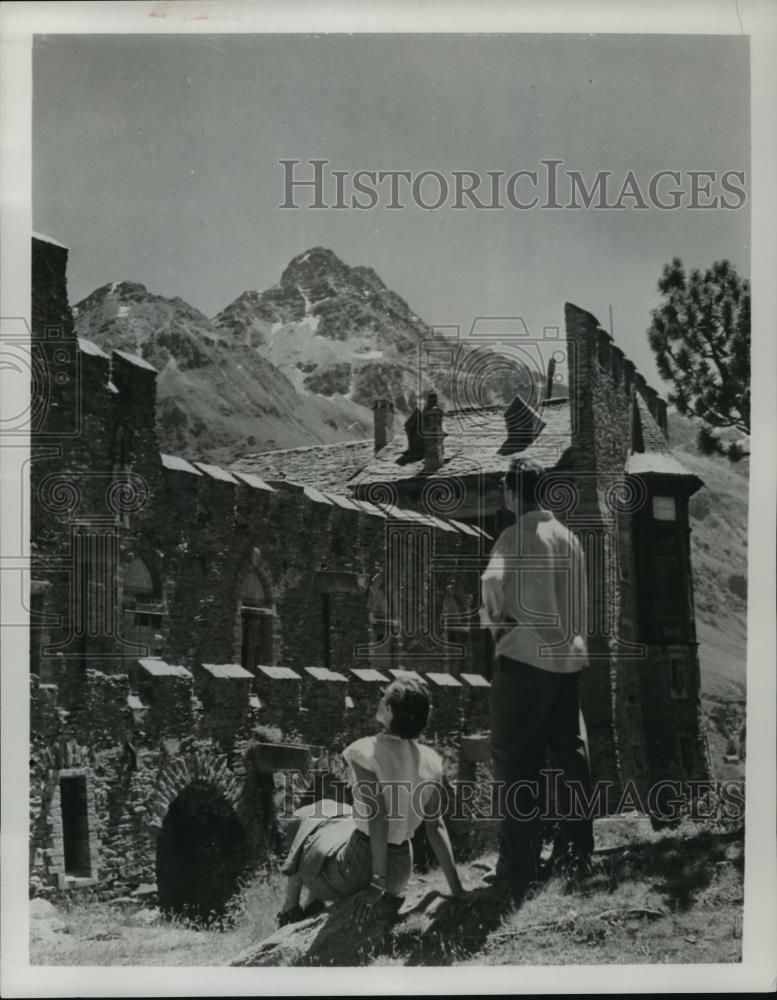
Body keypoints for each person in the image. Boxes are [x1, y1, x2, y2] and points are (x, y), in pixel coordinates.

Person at [480, 460, 594, 899]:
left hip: (525, 661)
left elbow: (491, 582)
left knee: (516, 761)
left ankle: (518, 865)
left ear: (512, 493)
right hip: (568, 660)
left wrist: (499, 629)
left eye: (504, 490)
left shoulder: (514, 534)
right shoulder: (570, 539)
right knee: (571, 759)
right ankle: (575, 852)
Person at [277, 676, 466, 927]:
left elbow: (379, 817)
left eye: (383, 694)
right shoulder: (431, 760)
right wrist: (458, 890)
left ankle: (290, 909)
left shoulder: (365, 750)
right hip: (400, 871)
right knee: (330, 809)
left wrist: (377, 883)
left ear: (389, 708)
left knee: (302, 819)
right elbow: (435, 827)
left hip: (359, 869)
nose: (379, 698)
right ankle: (309, 904)